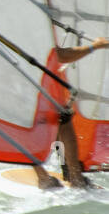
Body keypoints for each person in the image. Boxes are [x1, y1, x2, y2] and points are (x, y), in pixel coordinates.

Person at [40, 37, 109, 189]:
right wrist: (95, 46)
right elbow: (61, 55)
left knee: (62, 117)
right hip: (25, 83)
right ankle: (52, 178)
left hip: (22, 81)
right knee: (58, 119)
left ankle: (63, 177)